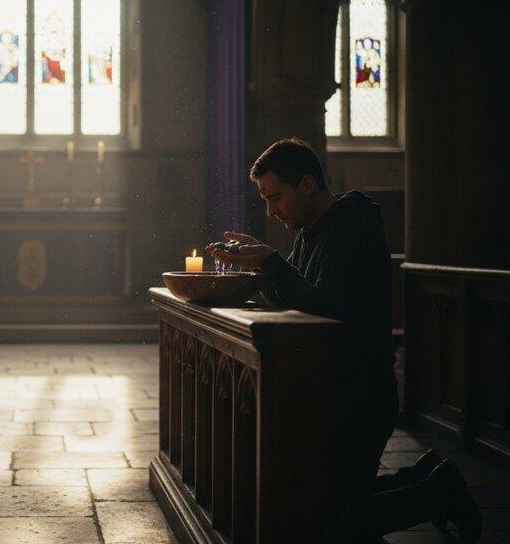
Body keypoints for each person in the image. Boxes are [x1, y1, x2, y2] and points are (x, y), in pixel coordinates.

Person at [206, 138, 482, 543]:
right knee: (323, 501)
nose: (270, 210)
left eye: (275, 197)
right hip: (332, 387)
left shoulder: (354, 230)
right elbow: (295, 299)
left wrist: (271, 263)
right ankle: (428, 478)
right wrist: (260, 270)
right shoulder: (312, 230)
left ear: (307, 185)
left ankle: (436, 493)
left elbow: (325, 310)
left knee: (328, 522)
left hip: (360, 394)